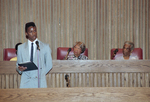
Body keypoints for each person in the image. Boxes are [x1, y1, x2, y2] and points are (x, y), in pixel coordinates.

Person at [16, 22, 53, 88]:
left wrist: (40, 74)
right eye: (31, 32)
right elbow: (18, 64)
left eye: (35, 31)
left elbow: (49, 65)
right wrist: (20, 69)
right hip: (26, 83)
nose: (34, 33)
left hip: (40, 82)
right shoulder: (21, 48)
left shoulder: (45, 47)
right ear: (26, 33)